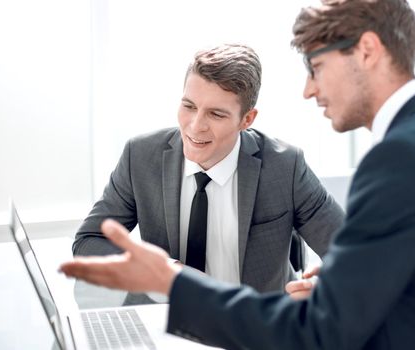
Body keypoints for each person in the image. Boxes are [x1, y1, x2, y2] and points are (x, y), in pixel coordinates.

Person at [61, 0, 415, 349]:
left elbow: (324, 330)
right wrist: (346, 281)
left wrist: (172, 281)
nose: (308, 89)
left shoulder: (399, 155)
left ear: (366, 51)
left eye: (317, 67)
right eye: (189, 106)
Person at [72, 43, 345, 293]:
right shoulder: (141, 156)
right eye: (189, 106)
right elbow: (88, 241)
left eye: (216, 114)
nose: (195, 125)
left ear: (246, 119)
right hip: (168, 321)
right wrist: (166, 270)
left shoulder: (285, 166)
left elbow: (350, 252)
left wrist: (325, 289)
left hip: (254, 328)